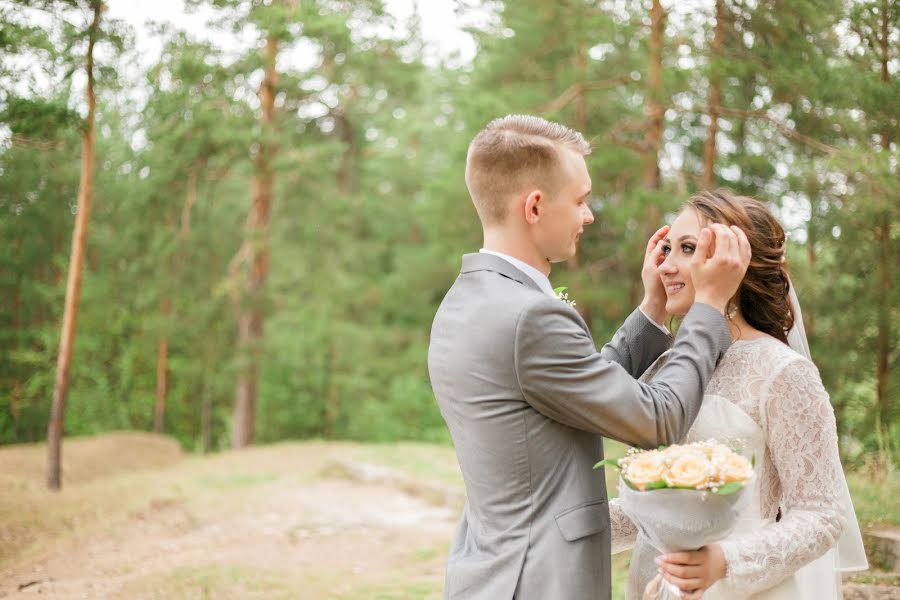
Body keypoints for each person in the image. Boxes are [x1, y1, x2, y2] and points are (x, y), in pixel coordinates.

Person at [427, 115, 751, 600]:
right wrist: (707, 305)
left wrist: (653, 310)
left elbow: (571, 392)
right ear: (535, 206)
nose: (589, 215)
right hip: (539, 581)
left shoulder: (467, 300)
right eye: (580, 200)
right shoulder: (529, 316)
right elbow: (658, 419)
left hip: (492, 571)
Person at [611, 189, 868, 600]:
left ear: (735, 263)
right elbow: (652, 506)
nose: (665, 266)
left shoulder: (783, 372)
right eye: (666, 249)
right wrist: (564, 528)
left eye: (687, 249)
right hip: (654, 585)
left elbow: (821, 514)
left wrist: (725, 562)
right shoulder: (665, 367)